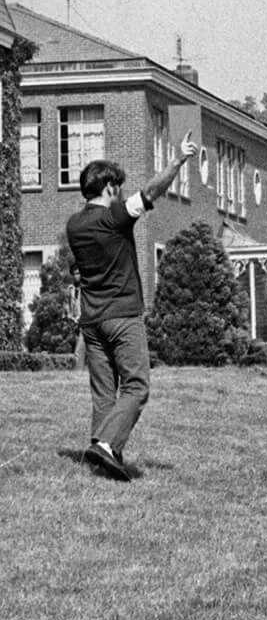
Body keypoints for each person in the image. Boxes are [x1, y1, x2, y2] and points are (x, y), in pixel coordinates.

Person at [66, 131, 197, 479]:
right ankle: (107, 447)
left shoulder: (74, 224)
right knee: (137, 386)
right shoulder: (114, 217)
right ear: (109, 187)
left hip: (91, 321)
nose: (121, 193)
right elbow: (152, 190)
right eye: (119, 188)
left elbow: (77, 269)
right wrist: (178, 160)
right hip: (122, 316)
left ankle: (103, 459)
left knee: (104, 392)